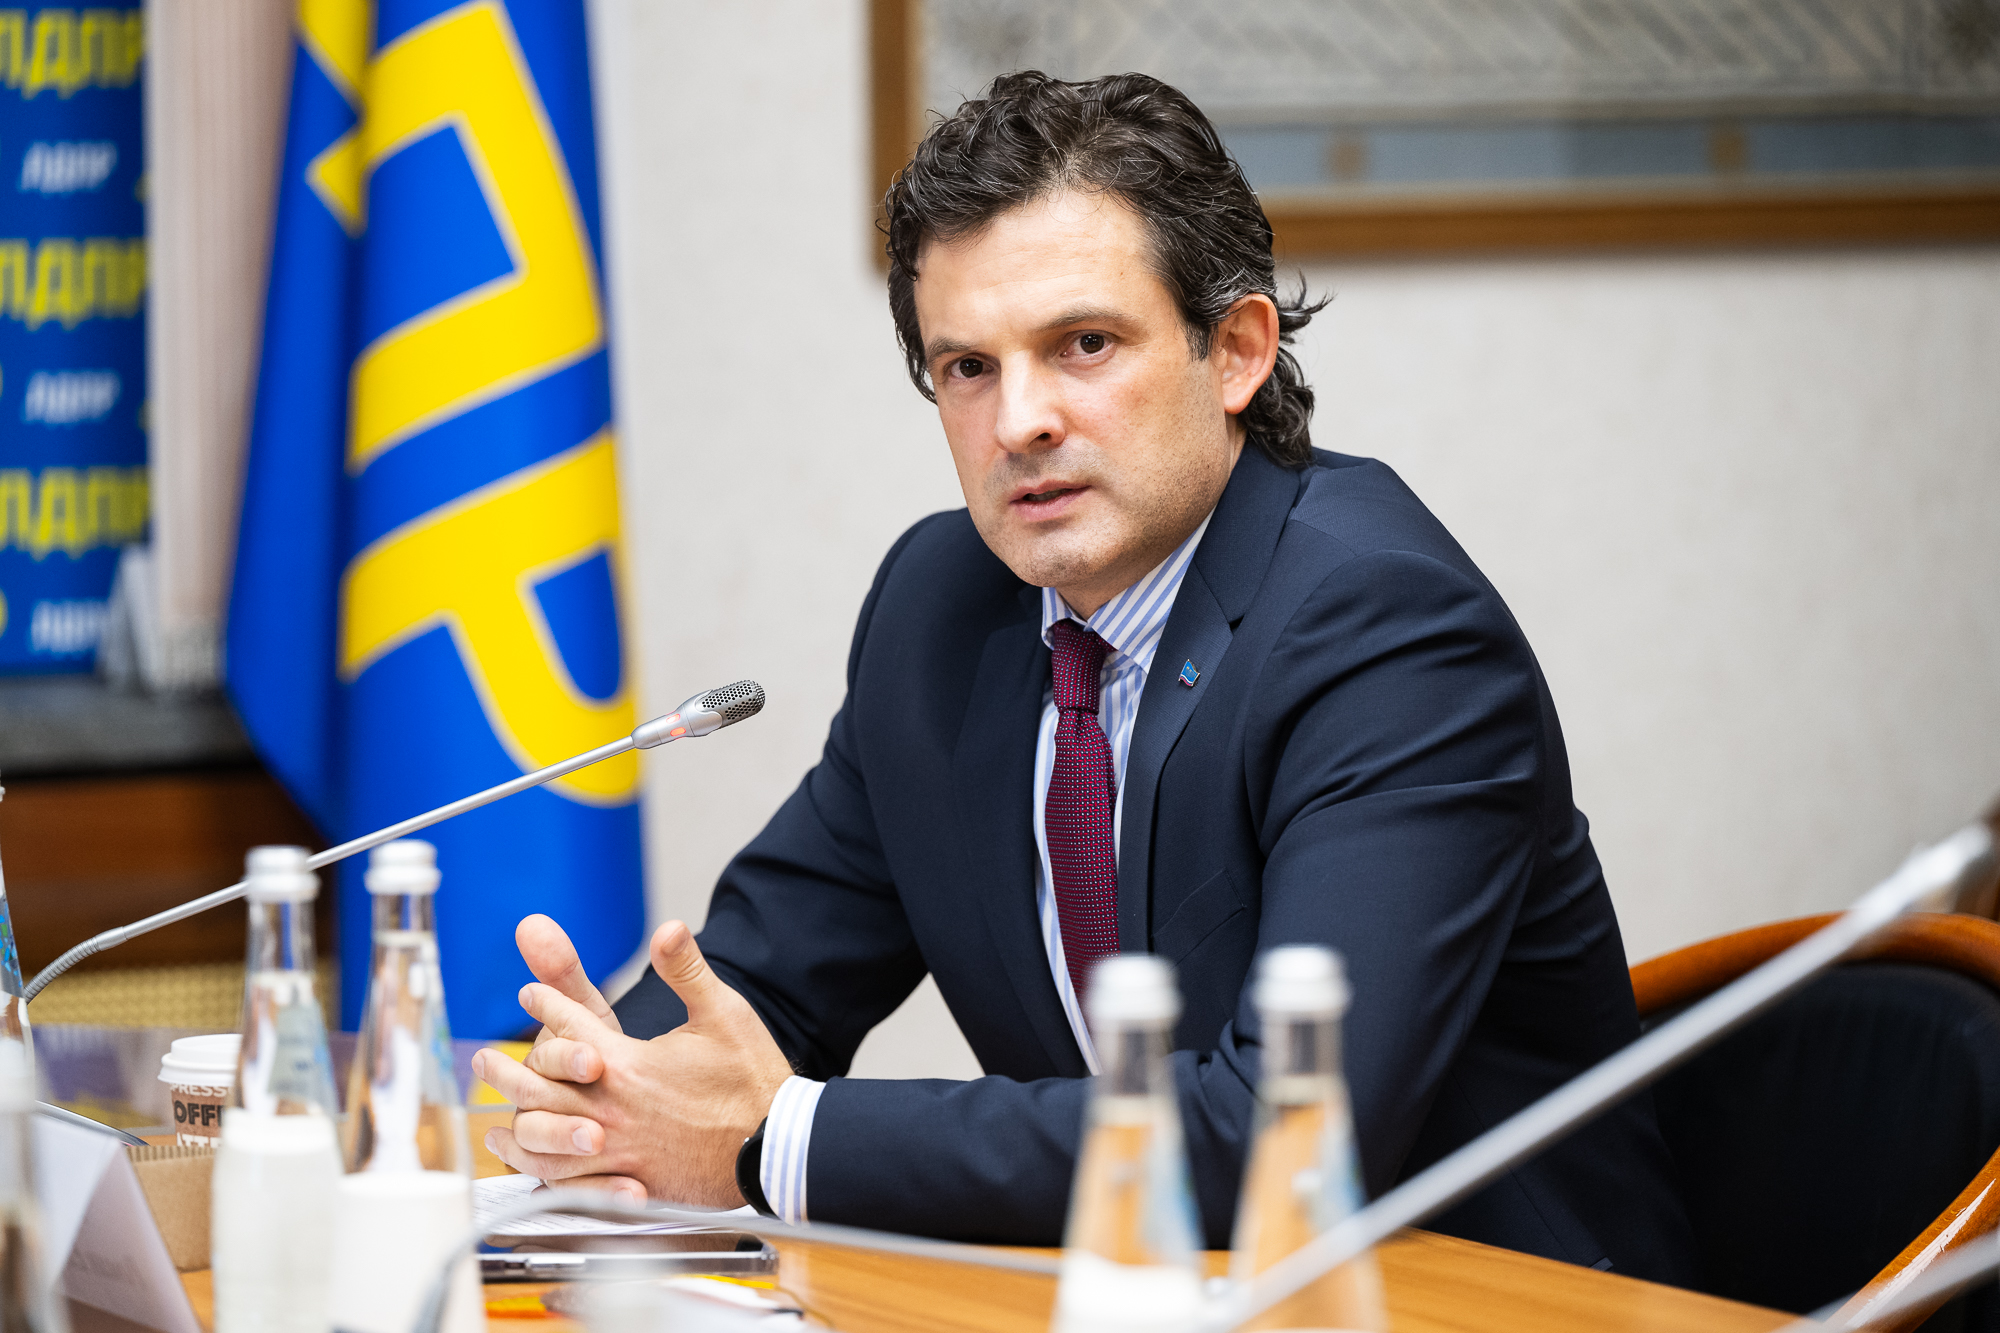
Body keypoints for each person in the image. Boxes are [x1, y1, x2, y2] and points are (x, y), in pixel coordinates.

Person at [473, 70, 1695, 1281]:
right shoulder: (940, 608)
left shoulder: (1384, 631)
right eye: (968, 367)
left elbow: (1279, 1137)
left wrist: (772, 1138)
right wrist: (605, 1095)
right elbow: (764, 981)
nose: (1019, 422)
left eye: (1083, 345)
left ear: (1234, 351)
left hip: (1474, 1298)